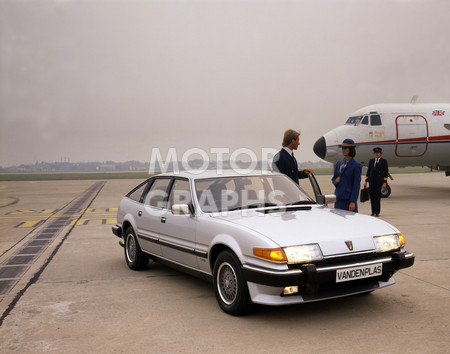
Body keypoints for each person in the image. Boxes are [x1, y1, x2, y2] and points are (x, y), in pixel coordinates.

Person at [332, 139, 362, 212]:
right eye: (342, 148)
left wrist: (352, 201)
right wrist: (335, 181)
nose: (343, 150)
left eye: (345, 148)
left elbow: (356, 185)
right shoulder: (339, 164)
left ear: (351, 149)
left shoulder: (356, 165)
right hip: (338, 198)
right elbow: (334, 178)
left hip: (348, 200)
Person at [364, 147, 388, 217]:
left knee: (377, 198)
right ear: (374, 154)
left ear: (380, 154)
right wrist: (366, 181)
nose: (377, 154)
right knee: (372, 197)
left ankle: (377, 212)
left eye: (378, 153)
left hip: (379, 182)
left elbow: (385, 172)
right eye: (376, 153)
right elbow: (369, 171)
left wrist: (384, 182)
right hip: (372, 182)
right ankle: (373, 211)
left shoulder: (384, 161)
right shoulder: (371, 161)